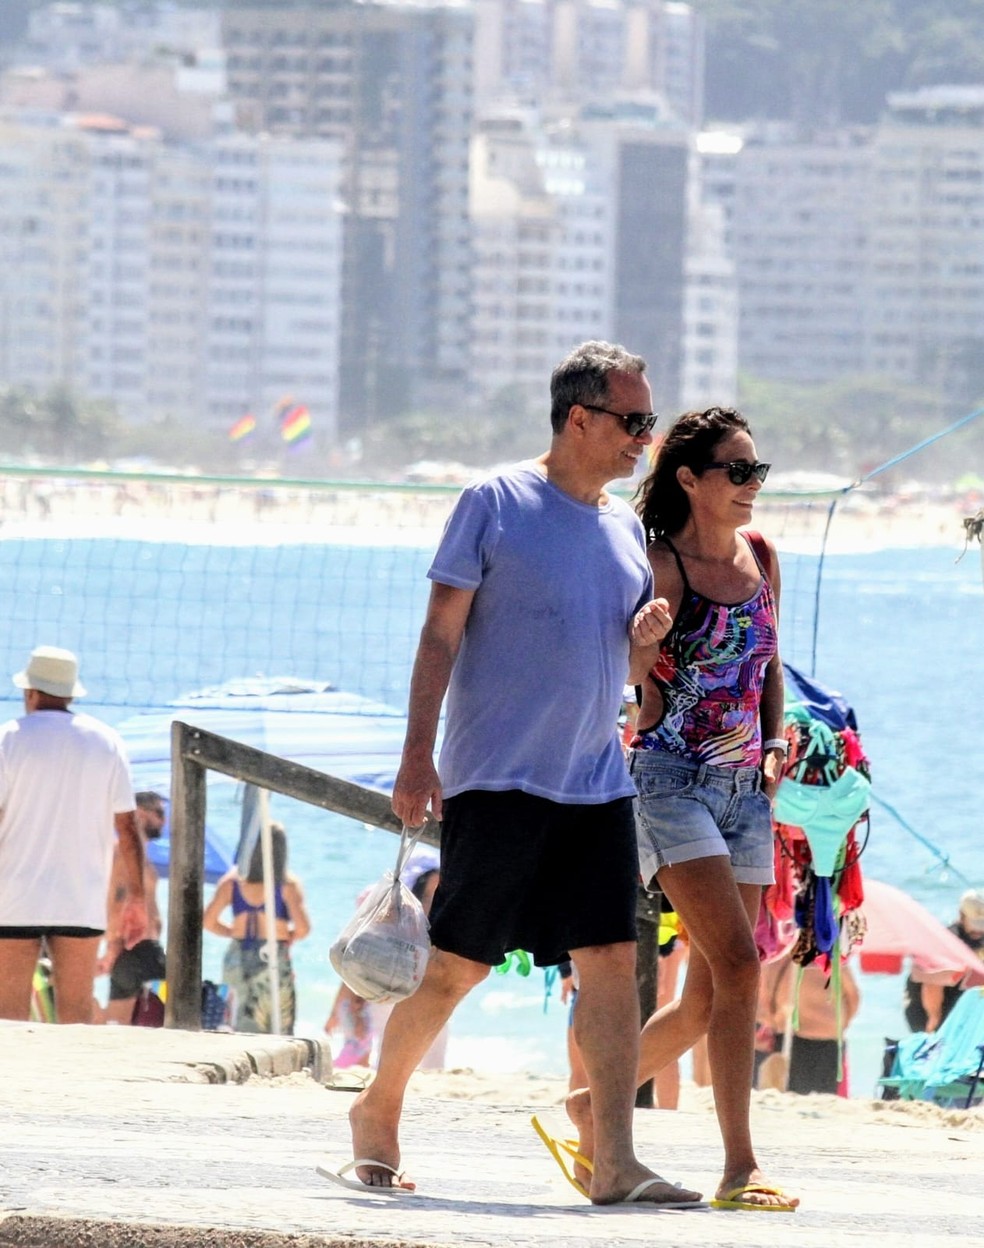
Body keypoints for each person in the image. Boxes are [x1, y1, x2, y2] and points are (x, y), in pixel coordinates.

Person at [333, 340, 702, 1206]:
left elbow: (625, 673)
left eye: (649, 423)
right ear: (579, 417)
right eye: (633, 421)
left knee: (613, 961)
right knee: (461, 962)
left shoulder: (623, 530)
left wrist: (644, 652)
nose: (644, 439)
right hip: (497, 777)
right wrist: (416, 754)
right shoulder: (495, 500)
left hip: (596, 781)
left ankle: (613, 1157)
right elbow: (439, 635)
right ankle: (377, 1108)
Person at [567, 407, 798, 1212]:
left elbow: (770, 662)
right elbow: (638, 694)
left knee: (709, 996)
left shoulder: (762, 556)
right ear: (691, 480)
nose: (752, 487)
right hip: (669, 782)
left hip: (746, 791)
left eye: (757, 471)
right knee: (741, 966)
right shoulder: (660, 566)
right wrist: (642, 646)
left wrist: (777, 739)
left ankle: (588, 1104)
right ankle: (740, 1167)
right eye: (738, 472)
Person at [0, 645, 147, 1023]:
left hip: (14, 895)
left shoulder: (9, 739)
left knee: (8, 1016)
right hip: (80, 896)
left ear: (30, 692)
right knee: (77, 1015)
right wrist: (137, 896)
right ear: (69, 693)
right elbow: (127, 829)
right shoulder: (106, 741)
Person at [325, 851, 447, 1070]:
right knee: (385, 1056)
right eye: (429, 896)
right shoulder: (394, 920)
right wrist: (340, 1009)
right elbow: (358, 963)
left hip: (427, 997)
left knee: (433, 1063)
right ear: (416, 892)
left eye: (439, 896)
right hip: (388, 994)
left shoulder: (443, 924)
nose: (434, 903)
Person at [203, 822, 311, 1034]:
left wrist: (233, 932)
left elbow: (208, 922)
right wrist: (287, 934)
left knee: (238, 1018)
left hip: (237, 954)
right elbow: (303, 928)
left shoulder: (232, 882)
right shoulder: (287, 886)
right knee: (277, 1021)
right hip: (272, 954)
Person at [100, 791, 168, 1024]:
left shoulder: (139, 856)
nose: (164, 820)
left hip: (132, 953)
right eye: (158, 813)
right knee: (165, 1025)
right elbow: (118, 899)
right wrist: (112, 946)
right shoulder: (123, 854)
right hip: (140, 951)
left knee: (120, 1026)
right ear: (139, 814)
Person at [759, 951, 860, 1096]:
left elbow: (764, 1002)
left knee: (791, 1092)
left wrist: (774, 1021)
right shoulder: (834, 961)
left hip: (790, 1033)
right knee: (825, 1094)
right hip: (827, 1035)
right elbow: (853, 996)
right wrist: (841, 1022)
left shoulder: (778, 962)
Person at [903, 889, 984, 1033]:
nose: (978, 930)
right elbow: (932, 985)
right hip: (927, 1006)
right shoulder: (948, 940)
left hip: (959, 1003)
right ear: (961, 915)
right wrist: (934, 1019)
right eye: (975, 923)